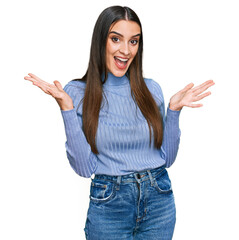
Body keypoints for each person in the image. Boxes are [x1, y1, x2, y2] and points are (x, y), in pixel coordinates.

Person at [24, 5, 214, 240]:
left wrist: (174, 111)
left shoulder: (152, 90)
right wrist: (66, 108)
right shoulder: (77, 92)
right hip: (110, 204)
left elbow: (167, 159)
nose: (125, 50)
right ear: (101, 41)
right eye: (116, 39)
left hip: (159, 199)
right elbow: (84, 169)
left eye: (133, 41)